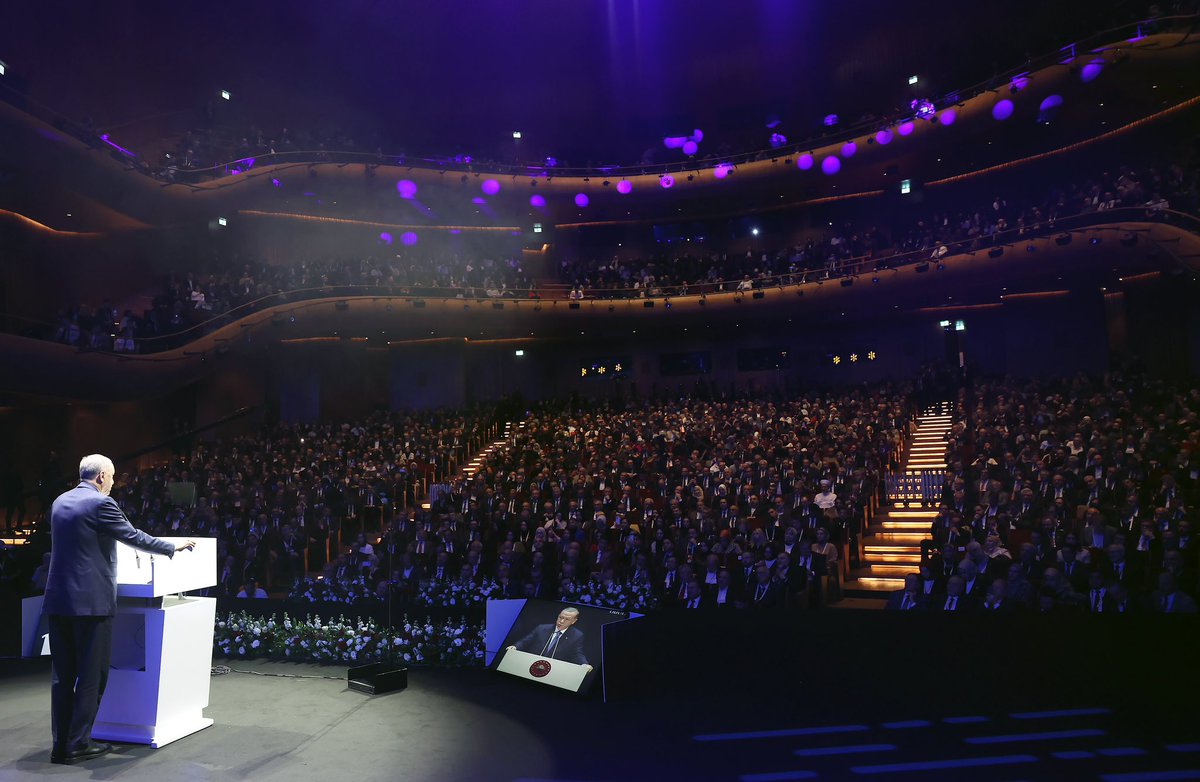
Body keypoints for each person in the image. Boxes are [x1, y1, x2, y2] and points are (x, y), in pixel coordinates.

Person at [42, 454, 195, 765]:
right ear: (100, 477)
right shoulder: (100, 503)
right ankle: (79, 743)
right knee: (91, 675)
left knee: (62, 677)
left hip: (59, 600)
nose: (112, 484)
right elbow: (132, 536)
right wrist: (170, 547)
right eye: (111, 478)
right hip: (91, 604)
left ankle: (61, 744)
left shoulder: (59, 502)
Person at [511, 606, 590, 666]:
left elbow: (577, 653)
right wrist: (515, 647)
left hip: (553, 669)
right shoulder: (542, 628)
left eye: (567, 619)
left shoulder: (577, 636)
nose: (561, 621)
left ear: (573, 621)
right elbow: (525, 641)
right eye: (560, 617)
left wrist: (584, 664)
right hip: (531, 663)